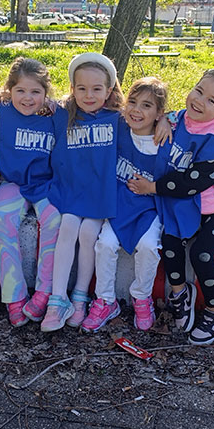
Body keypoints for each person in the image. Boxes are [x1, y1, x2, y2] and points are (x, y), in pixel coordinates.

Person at [128, 68, 214, 345]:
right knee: (170, 239)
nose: (199, 101)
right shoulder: (183, 118)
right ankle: (180, 292)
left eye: (211, 100)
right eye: (199, 91)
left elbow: (190, 183)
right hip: (194, 203)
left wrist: (151, 188)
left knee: (201, 253)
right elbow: (172, 115)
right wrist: (164, 119)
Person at [42, 53, 124, 332]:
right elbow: (25, 97)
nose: (89, 95)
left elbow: (152, 115)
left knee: (89, 233)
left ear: (109, 91)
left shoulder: (118, 118)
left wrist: (162, 121)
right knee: (67, 226)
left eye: (97, 89)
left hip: (100, 193)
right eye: (82, 88)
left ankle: (80, 295)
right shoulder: (62, 114)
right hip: (71, 189)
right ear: (72, 88)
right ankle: (57, 299)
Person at [82, 77, 167, 333]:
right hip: (119, 205)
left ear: (158, 113)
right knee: (105, 244)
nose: (136, 110)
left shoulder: (164, 140)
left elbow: (186, 122)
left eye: (146, 106)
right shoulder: (118, 126)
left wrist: (167, 120)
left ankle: (141, 297)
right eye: (133, 102)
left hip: (149, 208)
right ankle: (105, 301)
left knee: (149, 246)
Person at [0, 56, 61, 327]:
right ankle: (14, 296)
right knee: (1, 221)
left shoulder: (56, 114)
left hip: (45, 184)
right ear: (9, 91)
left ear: (46, 93)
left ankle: (44, 291)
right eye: (20, 90)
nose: (28, 98)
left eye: (35, 91)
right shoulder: (0, 110)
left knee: (55, 220)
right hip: (12, 183)